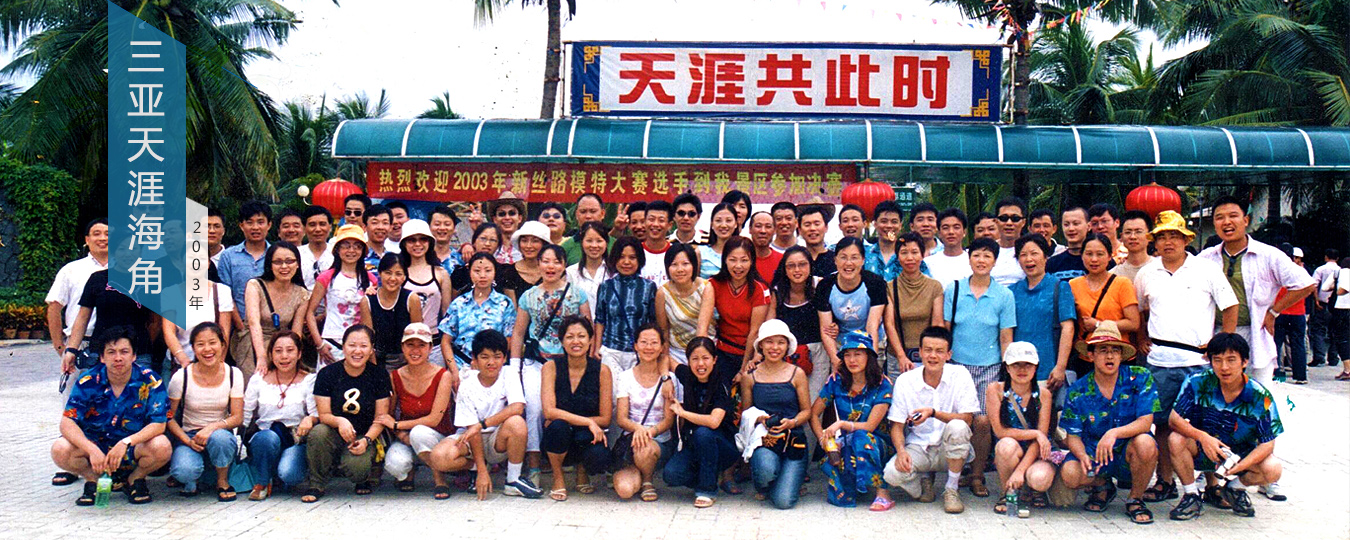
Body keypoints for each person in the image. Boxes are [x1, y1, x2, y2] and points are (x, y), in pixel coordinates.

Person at [1134, 210, 1238, 503]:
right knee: (1162, 423)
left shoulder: (1206, 269)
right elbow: (1139, 310)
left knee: (1206, 423)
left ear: (1185, 240)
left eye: (1174, 236)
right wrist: (1141, 338)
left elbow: (1230, 306)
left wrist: (1221, 344)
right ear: (1154, 242)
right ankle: (1165, 481)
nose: (1168, 242)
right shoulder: (1146, 273)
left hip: (1198, 363)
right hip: (1160, 361)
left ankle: (1212, 485)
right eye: (1162, 237)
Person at [1199, 195, 1316, 388]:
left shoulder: (1269, 255)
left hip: (1255, 333)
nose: (1226, 222)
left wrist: (1274, 312)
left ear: (1246, 220)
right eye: (1219, 217)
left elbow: (1305, 284)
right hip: (1216, 333)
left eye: (1233, 216)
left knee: (1258, 394)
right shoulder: (1205, 258)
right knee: (1216, 394)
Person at [1168, 332, 1284, 520]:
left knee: (1273, 468)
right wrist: (1203, 437)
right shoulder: (1196, 382)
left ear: (1244, 362)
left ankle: (1234, 489)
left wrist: (1240, 467)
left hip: (1239, 456)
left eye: (1231, 360)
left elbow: (1267, 443)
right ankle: (1191, 495)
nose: (1224, 367)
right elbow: (1174, 420)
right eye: (1217, 360)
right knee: (1176, 439)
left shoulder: (1260, 396)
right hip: (1203, 448)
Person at [52, 326, 172, 505]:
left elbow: (159, 424)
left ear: (134, 356)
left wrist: (126, 442)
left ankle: (134, 479)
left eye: (124, 352)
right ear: (102, 357)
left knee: (162, 446)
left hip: (132, 448)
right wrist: (91, 449)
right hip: (95, 449)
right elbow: (67, 422)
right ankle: (93, 480)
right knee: (60, 449)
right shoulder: (88, 381)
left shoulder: (150, 381)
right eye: (111, 352)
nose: (118, 358)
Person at [1060, 321, 1161, 525]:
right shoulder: (1078, 390)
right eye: (1103, 350)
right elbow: (1073, 436)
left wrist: (1114, 433)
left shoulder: (1140, 377)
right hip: (1095, 452)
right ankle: (1102, 485)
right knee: (1070, 474)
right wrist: (1082, 456)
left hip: (1128, 451)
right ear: (1091, 355)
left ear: (1121, 356)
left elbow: (1145, 422)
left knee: (1146, 443)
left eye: (1115, 350)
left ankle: (1135, 499)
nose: (1110, 356)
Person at [427, 329, 542, 500]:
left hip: (497, 439)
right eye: (484, 357)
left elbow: (517, 407)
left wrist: (482, 424)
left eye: (497, 356)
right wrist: (481, 470)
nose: (491, 362)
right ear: (474, 358)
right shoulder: (467, 383)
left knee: (516, 422)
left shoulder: (509, 373)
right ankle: (475, 468)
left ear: (504, 358)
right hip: (471, 440)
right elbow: (472, 431)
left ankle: (513, 480)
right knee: (439, 457)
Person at [511, 244, 592, 479]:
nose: (551, 266)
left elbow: (587, 328)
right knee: (535, 409)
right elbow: (518, 332)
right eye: (545, 261)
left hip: (569, 363)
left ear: (564, 265)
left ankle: (574, 462)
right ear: (538, 264)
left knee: (571, 410)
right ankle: (534, 464)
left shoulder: (577, 294)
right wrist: (515, 365)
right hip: (538, 361)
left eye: (556, 261)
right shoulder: (528, 296)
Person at [943, 237, 1015, 497]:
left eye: (987, 256)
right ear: (969, 258)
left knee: (983, 422)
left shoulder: (1004, 295)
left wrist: (1006, 373)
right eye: (976, 255)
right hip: (957, 365)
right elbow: (946, 330)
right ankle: (956, 472)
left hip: (990, 367)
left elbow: (1006, 337)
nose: (981, 260)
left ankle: (977, 474)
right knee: (959, 421)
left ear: (994, 261)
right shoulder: (954, 290)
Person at [883, 326, 977, 514]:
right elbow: (896, 425)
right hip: (919, 447)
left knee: (958, 426)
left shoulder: (960, 375)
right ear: (919, 352)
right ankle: (922, 483)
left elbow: (967, 419)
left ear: (949, 355)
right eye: (928, 350)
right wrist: (901, 451)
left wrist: (933, 413)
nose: (933, 356)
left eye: (939, 351)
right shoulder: (905, 380)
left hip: (949, 448)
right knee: (891, 474)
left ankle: (951, 489)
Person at [304, 325, 392, 502]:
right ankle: (317, 483)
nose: (357, 351)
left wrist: (366, 440)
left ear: (371, 350)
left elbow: (380, 418)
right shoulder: (327, 374)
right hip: (334, 432)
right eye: (352, 345)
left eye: (363, 346)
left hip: (363, 434)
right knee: (319, 432)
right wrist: (340, 422)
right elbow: (324, 414)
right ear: (343, 347)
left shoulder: (379, 375)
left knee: (357, 469)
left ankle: (364, 475)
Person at [810, 330, 894, 510]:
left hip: (877, 443)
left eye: (858, 354)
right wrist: (823, 439)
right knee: (841, 496)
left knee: (861, 437)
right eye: (847, 355)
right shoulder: (836, 381)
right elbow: (814, 413)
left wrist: (841, 424)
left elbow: (870, 426)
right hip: (848, 441)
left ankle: (882, 492)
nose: (852, 360)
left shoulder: (882, 384)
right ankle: (854, 485)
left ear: (869, 356)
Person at [166, 323, 245, 502]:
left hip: (219, 434)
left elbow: (237, 417)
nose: (207, 349)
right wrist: (187, 440)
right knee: (183, 471)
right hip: (189, 436)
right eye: (200, 344)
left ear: (222, 345)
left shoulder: (234, 374)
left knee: (221, 439)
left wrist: (211, 428)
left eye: (212, 343)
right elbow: (168, 416)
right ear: (193, 348)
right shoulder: (181, 376)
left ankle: (222, 481)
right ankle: (197, 475)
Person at [740, 319, 812, 510]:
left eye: (780, 342)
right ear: (761, 346)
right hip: (764, 440)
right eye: (769, 342)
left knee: (783, 501)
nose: (775, 347)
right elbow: (746, 413)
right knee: (765, 470)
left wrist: (792, 422)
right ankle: (766, 481)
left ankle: (787, 480)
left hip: (793, 440)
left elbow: (807, 411)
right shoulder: (750, 376)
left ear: (787, 346)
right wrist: (759, 419)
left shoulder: (797, 373)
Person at [378, 323, 455, 495]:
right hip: (407, 437)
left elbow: (434, 419)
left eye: (421, 345)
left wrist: (398, 426)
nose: (415, 350)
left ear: (430, 348)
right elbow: (390, 415)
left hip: (438, 437)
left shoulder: (443, 375)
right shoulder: (395, 376)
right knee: (395, 464)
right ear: (402, 347)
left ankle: (439, 477)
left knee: (419, 433)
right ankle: (410, 469)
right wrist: (400, 434)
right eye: (410, 344)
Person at [541, 316, 613, 501]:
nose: (576, 342)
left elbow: (605, 418)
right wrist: (588, 421)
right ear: (562, 341)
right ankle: (558, 478)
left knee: (599, 456)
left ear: (590, 340)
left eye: (581, 336)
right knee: (558, 427)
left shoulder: (602, 371)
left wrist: (585, 424)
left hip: (587, 436)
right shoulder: (550, 367)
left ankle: (582, 471)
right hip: (560, 435)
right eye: (569, 337)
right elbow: (549, 411)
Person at [664, 337, 739, 508]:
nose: (700, 364)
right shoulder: (688, 375)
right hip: (695, 444)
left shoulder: (721, 383)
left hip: (723, 446)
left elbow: (713, 422)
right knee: (671, 474)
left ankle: (707, 490)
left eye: (705, 358)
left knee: (704, 433)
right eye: (695, 359)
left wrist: (683, 413)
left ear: (714, 359)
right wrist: (666, 379)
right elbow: (666, 359)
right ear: (688, 360)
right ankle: (708, 476)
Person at [242, 331, 316, 501]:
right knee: (266, 438)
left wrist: (310, 419)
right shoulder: (259, 379)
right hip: (265, 438)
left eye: (290, 350)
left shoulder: (309, 380)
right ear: (270, 354)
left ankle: (276, 473)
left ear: (299, 353)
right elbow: (245, 414)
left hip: (294, 439)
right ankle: (262, 482)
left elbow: (316, 413)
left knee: (289, 474)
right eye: (278, 351)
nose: (284, 356)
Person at [986, 342, 1057, 514]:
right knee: (1005, 445)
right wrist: (1035, 433)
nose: (1022, 370)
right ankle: (1007, 491)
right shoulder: (995, 390)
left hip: (1037, 450)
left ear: (1035, 367)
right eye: (1016, 364)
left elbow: (1040, 440)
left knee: (1039, 479)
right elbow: (1000, 431)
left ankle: (1032, 489)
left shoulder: (1044, 395)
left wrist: (1019, 471)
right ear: (1007, 367)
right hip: (1012, 447)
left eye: (1028, 365)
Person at [612, 324, 676, 502]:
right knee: (625, 491)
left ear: (662, 347)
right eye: (644, 342)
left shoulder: (669, 379)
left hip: (659, 442)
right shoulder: (625, 377)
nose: (649, 347)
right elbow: (621, 418)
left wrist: (649, 432)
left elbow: (668, 420)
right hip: (631, 441)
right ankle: (635, 470)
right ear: (636, 346)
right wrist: (638, 429)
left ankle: (647, 481)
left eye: (654, 343)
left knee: (645, 447)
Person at [62, 261, 159, 372]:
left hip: (139, 354)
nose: (127, 255)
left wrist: (144, 343)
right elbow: (83, 317)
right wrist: (72, 349)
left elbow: (155, 322)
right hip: (100, 353)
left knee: (139, 383)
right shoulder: (98, 278)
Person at [1010, 234, 1075, 389]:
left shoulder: (1060, 287)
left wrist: (1060, 367)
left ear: (1046, 257)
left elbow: (1068, 328)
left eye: (1034, 253)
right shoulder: (1011, 292)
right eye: (1023, 255)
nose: (1028, 259)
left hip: (1049, 369)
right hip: (1018, 370)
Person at [306, 225, 377, 367]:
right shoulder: (326, 277)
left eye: (357, 246)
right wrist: (319, 344)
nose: (351, 250)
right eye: (346, 246)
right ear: (337, 249)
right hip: (332, 343)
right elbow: (310, 313)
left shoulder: (370, 279)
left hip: (360, 346)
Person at [1069, 233, 1140, 375]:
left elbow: (1133, 323)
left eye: (1100, 254)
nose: (1094, 259)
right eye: (1089, 254)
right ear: (1082, 256)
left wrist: (1098, 325)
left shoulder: (1122, 284)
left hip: (1118, 356)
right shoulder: (1073, 285)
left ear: (1109, 256)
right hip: (1088, 356)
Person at [816, 236, 888, 372]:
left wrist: (870, 361)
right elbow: (826, 329)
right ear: (835, 260)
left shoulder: (875, 284)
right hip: (841, 344)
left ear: (863, 260)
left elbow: (872, 326)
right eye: (843, 257)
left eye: (854, 258)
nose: (848, 263)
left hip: (871, 341)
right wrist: (836, 361)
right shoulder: (825, 286)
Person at [47, 218, 109, 372]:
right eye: (97, 234)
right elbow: (54, 308)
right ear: (87, 240)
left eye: (108, 234)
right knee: (77, 387)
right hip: (80, 344)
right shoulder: (71, 270)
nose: (103, 238)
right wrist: (61, 347)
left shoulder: (126, 270)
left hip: (117, 345)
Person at [239, 243, 310, 379]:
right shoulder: (255, 286)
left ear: (297, 264)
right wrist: (261, 357)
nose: (284, 266)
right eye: (278, 262)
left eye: (289, 261)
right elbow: (254, 323)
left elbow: (296, 332)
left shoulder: (302, 294)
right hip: (254, 344)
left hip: (283, 346)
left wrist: (293, 358)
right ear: (269, 265)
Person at [440, 252, 517, 371]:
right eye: (477, 271)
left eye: (488, 270)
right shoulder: (459, 303)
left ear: (495, 272)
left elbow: (509, 339)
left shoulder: (505, 304)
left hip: (493, 368)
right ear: (470, 273)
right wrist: (453, 369)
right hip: (461, 367)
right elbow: (446, 341)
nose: (482, 275)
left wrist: (488, 361)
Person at [768, 247, 828, 399]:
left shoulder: (821, 285)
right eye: (791, 266)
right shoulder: (778, 291)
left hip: (818, 353)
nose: (797, 270)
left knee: (813, 401)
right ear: (784, 269)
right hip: (787, 354)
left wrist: (834, 326)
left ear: (810, 266)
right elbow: (769, 326)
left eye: (802, 264)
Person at [883, 233, 944, 379]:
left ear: (922, 255)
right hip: (898, 357)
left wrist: (931, 355)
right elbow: (889, 324)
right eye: (904, 253)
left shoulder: (934, 287)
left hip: (928, 357)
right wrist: (901, 356)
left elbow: (937, 323)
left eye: (915, 252)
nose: (910, 258)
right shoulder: (890, 287)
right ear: (897, 257)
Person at [216, 201, 272, 360]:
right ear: (241, 225)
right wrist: (240, 326)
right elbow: (226, 294)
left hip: (272, 329)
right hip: (240, 327)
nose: (255, 227)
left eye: (260, 222)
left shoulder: (276, 254)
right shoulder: (228, 256)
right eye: (250, 222)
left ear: (269, 225)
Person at [595, 236, 658, 374]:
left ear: (640, 260)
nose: (626, 262)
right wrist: (596, 348)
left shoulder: (649, 287)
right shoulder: (606, 286)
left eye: (632, 257)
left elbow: (653, 321)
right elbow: (600, 319)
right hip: (611, 351)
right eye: (621, 257)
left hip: (639, 353)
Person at [711, 237, 770, 384]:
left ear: (752, 262)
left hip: (748, 354)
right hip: (721, 351)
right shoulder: (714, 284)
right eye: (733, 260)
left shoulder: (759, 289)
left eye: (744, 260)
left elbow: (754, 332)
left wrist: (743, 369)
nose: (738, 266)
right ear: (725, 260)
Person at [400, 219, 453, 367]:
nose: (418, 244)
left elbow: (446, 312)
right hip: (406, 343)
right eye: (412, 240)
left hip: (434, 343)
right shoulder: (399, 273)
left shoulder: (441, 273)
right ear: (404, 243)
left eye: (423, 239)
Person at [163, 263, 235, 368]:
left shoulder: (222, 291)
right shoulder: (170, 293)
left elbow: (224, 333)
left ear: (208, 263)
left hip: (212, 360)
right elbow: (169, 332)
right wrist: (183, 360)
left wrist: (218, 363)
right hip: (179, 362)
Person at [655, 243, 715, 364]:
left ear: (693, 265)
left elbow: (702, 330)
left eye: (685, 264)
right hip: (677, 352)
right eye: (674, 265)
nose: (680, 269)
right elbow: (664, 330)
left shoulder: (705, 287)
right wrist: (666, 360)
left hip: (704, 349)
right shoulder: (662, 293)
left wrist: (697, 360)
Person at [367, 253, 423, 369]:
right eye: (388, 273)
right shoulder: (368, 300)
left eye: (398, 274)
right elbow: (367, 339)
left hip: (405, 360)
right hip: (377, 360)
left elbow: (417, 336)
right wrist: (374, 370)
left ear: (404, 277)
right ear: (379, 273)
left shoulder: (411, 299)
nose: (392, 278)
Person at [450, 223, 523, 301]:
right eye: (483, 239)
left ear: (498, 245)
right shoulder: (461, 272)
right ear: (474, 242)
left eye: (493, 240)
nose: (487, 244)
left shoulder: (505, 272)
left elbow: (511, 302)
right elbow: (452, 301)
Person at [565, 222, 612, 318]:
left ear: (606, 243)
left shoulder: (613, 272)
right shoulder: (570, 273)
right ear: (582, 243)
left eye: (599, 241)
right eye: (589, 241)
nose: (594, 245)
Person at [1309, 249, 1341, 367]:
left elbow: (1314, 285)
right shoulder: (1341, 271)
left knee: (1318, 329)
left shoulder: (1320, 269)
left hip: (1323, 303)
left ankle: (1319, 357)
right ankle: (1333, 357)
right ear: (1337, 259)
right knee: (1335, 331)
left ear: (1326, 257)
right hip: (1337, 305)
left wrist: (1316, 300)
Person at [924, 208, 972, 284]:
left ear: (964, 232)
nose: (951, 232)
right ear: (939, 233)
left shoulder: (974, 261)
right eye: (945, 228)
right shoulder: (928, 263)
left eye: (956, 227)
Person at [562, 194, 613, 264]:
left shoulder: (615, 245)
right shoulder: (566, 247)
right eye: (583, 211)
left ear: (602, 213)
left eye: (593, 211)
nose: (588, 216)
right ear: (577, 214)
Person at [507, 221, 551, 300]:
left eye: (535, 241)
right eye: (524, 241)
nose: (528, 246)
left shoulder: (552, 271)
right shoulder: (509, 273)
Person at [1046, 206, 1091, 281]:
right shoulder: (1052, 263)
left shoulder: (1097, 261)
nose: (1071, 229)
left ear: (1089, 226)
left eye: (1076, 224)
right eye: (1066, 224)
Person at [991, 197, 1028, 286]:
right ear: (996, 221)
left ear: (1023, 222)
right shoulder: (987, 250)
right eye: (1004, 218)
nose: (1009, 223)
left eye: (1015, 218)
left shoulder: (1031, 251)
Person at [864, 201, 904, 282]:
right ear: (875, 224)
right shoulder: (864, 254)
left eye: (894, 222)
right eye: (884, 221)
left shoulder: (910, 256)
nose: (889, 226)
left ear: (900, 225)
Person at [1111, 211, 1155, 282]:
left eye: (1138, 232)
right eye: (1128, 232)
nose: (1133, 237)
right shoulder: (1113, 275)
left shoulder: (1161, 269)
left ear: (1150, 236)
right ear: (1121, 237)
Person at [698, 203, 739, 278]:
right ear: (712, 224)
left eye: (728, 220)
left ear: (736, 224)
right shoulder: (701, 252)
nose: (723, 225)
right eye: (718, 220)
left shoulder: (743, 252)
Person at [639, 200, 675, 286]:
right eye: (651, 219)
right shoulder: (635, 252)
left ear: (670, 225)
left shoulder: (676, 253)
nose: (655, 224)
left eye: (661, 220)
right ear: (644, 222)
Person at [298, 206, 334, 288]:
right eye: (312, 225)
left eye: (322, 224)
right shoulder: (296, 254)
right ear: (304, 228)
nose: (318, 229)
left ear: (330, 227)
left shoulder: (337, 253)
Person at [486, 191, 526, 263]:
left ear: (520, 218)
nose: (507, 217)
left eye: (512, 213)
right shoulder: (488, 245)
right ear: (495, 219)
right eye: (502, 214)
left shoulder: (527, 246)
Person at [799, 202, 836, 278]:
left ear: (826, 227)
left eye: (817, 224)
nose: (812, 228)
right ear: (800, 230)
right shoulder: (795, 259)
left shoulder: (836, 259)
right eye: (807, 225)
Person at [1328, 259, 1350, 380]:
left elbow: (1326, 288)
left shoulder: (1341, 273)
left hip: (1342, 309)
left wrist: (1337, 288)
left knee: (1342, 339)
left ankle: (1347, 369)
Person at [749, 211, 783, 282]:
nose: (763, 231)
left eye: (768, 227)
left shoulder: (782, 260)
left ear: (774, 230)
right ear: (750, 229)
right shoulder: (741, 260)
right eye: (758, 226)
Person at [429, 205, 463, 274]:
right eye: (437, 224)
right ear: (429, 227)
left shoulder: (461, 260)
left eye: (447, 224)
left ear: (454, 228)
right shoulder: (421, 257)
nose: (442, 228)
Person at [362, 204, 396, 271]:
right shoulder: (358, 256)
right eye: (375, 223)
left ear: (391, 227)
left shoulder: (393, 258)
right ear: (364, 227)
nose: (380, 227)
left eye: (385, 223)